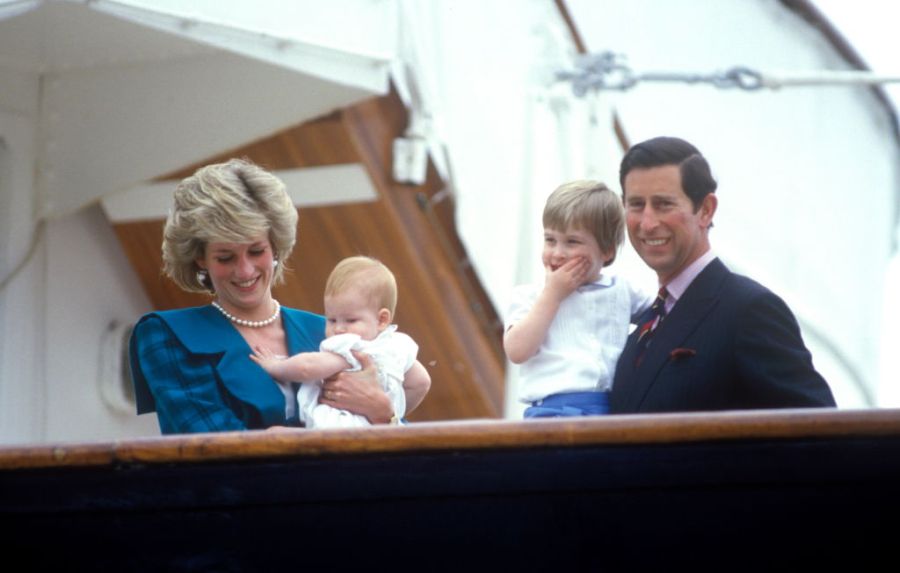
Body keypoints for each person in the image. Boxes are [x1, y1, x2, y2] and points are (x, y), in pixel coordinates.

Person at [129, 159, 431, 434]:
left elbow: (398, 441)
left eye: (256, 251)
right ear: (200, 259)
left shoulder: (335, 331)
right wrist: (280, 441)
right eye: (225, 257)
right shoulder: (168, 334)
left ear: (275, 245)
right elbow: (203, 439)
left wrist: (383, 413)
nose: (245, 270)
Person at [610, 136, 835, 413]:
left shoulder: (748, 310)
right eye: (636, 205)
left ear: (706, 210)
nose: (647, 223)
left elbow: (818, 426)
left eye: (663, 204)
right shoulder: (642, 328)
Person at [504, 180, 652, 417]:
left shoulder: (622, 290)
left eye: (572, 242)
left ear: (607, 250)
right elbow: (517, 351)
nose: (557, 253)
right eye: (550, 240)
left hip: (613, 411)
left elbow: (664, 313)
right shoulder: (530, 296)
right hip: (552, 411)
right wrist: (552, 295)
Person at [250, 256, 424, 428]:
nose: (339, 329)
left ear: (382, 319)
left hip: (342, 427)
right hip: (380, 430)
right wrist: (391, 410)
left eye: (351, 320)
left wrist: (276, 366)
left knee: (280, 433)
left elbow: (307, 367)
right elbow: (421, 383)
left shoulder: (351, 346)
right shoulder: (398, 345)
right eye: (332, 320)